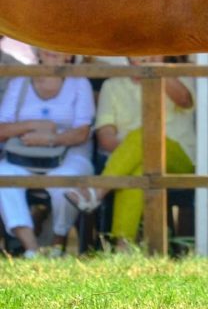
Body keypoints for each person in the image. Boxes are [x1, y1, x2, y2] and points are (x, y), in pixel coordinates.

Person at [65, 55, 195, 249]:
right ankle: (122, 247)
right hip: (130, 161)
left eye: (151, 50)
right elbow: (105, 137)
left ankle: (98, 191)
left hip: (179, 161)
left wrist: (154, 69)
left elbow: (185, 99)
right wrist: (134, 154)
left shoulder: (179, 75)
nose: (144, 54)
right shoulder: (112, 85)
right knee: (138, 166)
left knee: (146, 134)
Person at [0, 48, 95, 257]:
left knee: (65, 183)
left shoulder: (80, 83)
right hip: (23, 156)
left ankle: (56, 245)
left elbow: (82, 133)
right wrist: (33, 125)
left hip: (70, 156)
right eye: (46, 45)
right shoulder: (20, 82)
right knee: (2, 177)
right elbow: (2, 129)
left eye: (59, 47)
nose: (52, 51)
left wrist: (51, 139)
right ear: (37, 52)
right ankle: (31, 248)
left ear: (69, 54)